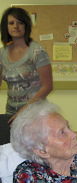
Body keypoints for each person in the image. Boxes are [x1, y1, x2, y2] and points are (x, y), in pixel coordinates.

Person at [0, 7, 53, 144]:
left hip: (35, 112)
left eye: (20, 22)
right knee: (11, 150)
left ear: (26, 26)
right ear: (5, 27)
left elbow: (47, 86)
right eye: (11, 23)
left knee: (34, 151)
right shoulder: (2, 53)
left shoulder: (37, 51)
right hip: (11, 111)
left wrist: (25, 109)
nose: (15, 26)